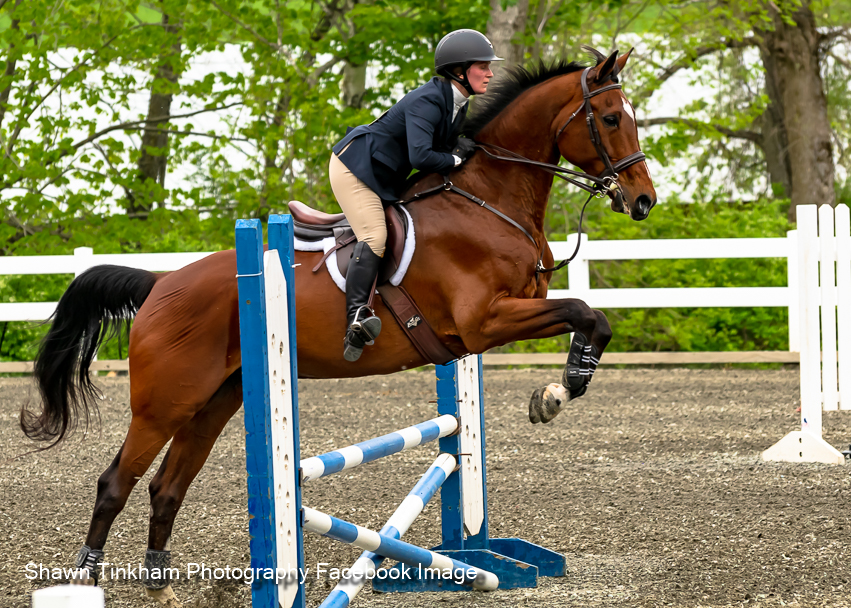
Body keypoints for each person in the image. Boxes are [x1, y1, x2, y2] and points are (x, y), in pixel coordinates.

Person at [330, 29, 502, 362]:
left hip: (385, 174)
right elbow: (422, 157)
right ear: (459, 71)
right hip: (355, 168)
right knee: (374, 235)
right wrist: (456, 158)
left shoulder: (457, 103)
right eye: (483, 66)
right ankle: (356, 318)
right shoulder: (429, 100)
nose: (490, 73)